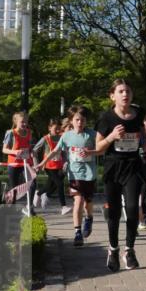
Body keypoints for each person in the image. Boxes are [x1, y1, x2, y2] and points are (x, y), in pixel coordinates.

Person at [95, 79, 146, 271]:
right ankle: (113, 249)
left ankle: (129, 250)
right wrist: (111, 137)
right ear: (112, 96)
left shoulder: (139, 113)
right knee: (114, 213)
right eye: (120, 91)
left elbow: (142, 134)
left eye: (128, 90)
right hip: (113, 167)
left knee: (132, 208)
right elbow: (98, 148)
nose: (125, 94)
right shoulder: (106, 118)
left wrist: (145, 143)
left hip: (133, 167)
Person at [38, 105, 98, 247]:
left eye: (83, 120)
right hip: (74, 174)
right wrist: (42, 163)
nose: (80, 122)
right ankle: (77, 233)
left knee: (88, 202)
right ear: (71, 121)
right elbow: (55, 151)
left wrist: (91, 152)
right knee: (78, 201)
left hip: (89, 174)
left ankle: (89, 218)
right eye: (77, 120)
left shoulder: (92, 134)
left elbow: (102, 149)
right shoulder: (66, 136)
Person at [33, 118, 67, 213]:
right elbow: (34, 150)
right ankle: (63, 206)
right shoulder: (45, 139)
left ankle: (40, 193)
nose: (58, 131)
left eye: (59, 128)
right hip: (48, 166)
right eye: (56, 128)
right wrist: (36, 164)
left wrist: (65, 162)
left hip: (59, 165)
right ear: (49, 128)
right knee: (60, 184)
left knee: (51, 186)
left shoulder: (61, 137)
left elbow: (64, 152)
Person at [2, 111, 36, 208]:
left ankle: (29, 207)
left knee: (33, 184)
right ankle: (10, 208)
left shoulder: (29, 132)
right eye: (22, 122)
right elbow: (4, 150)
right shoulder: (11, 133)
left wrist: (32, 152)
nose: (25, 124)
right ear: (16, 122)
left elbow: (29, 147)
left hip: (26, 163)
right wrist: (15, 152)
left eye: (26, 121)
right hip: (14, 164)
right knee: (14, 189)